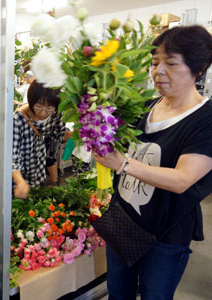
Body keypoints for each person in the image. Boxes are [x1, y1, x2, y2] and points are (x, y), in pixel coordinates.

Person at [93, 25, 212, 299]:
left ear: (199, 67)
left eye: (170, 63)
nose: (157, 71)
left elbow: (183, 179)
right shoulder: (146, 105)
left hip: (164, 235)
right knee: (117, 293)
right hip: (123, 223)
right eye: (155, 62)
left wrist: (123, 164)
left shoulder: (204, 119)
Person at [12, 80, 72, 199]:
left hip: (39, 172)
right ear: (31, 101)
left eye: (49, 108)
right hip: (18, 179)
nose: (44, 112)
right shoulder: (17, 119)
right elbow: (12, 157)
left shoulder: (55, 114)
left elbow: (58, 134)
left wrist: (75, 134)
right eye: (38, 106)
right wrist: (20, 182)